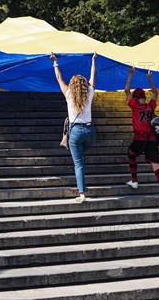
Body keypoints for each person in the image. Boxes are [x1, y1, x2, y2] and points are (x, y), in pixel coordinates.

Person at [50, 52, 97, 203]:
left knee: (78, 164)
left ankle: (82, 194)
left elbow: (58, 78)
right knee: (81, 159)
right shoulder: (90, 92)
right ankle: (83, 186)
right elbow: (93, 74)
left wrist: (55, 62)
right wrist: (93, 60)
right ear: (84, 86)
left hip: (75, 132)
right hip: (90, 132)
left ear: (72, 85)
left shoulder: (68, 93)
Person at [124, 68, 159, 209]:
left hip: (139, 138)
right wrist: (150, 79)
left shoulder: (135, 105)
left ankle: (134, 180)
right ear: (144, 96)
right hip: (152, 140)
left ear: (136, 97)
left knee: (130, 154)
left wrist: (130, 74)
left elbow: (126, 91)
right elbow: (156, 92)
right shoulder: (150, 106)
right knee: (157, 167)